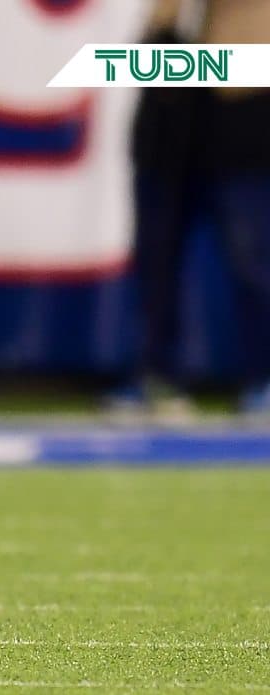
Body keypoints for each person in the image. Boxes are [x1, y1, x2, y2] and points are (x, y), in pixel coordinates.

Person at [109, 0, 270, 422]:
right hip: (169, 131)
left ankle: (263, 380)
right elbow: (151, 41)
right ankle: (156, 378)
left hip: (241, 128)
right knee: (156, 266)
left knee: (254, 264)